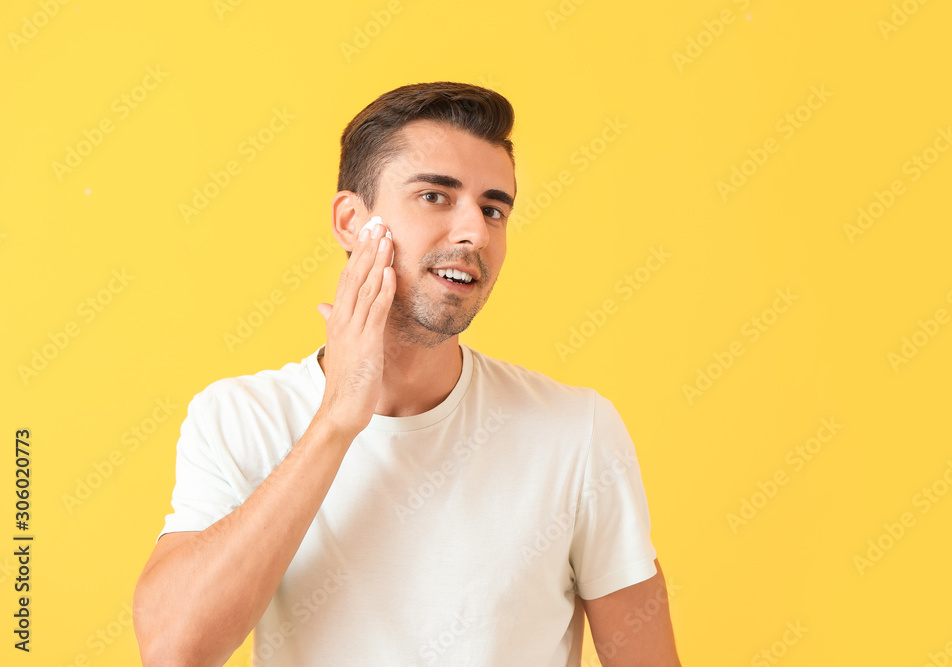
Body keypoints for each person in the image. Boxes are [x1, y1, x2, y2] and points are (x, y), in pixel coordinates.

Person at [133, 81, 682, 667]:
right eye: (435, 197)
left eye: (494, 209)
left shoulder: (577, 431)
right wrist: (337, 421)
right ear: (351, 220)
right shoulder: (240, 417)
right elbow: (174, 649)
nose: (475, 231)